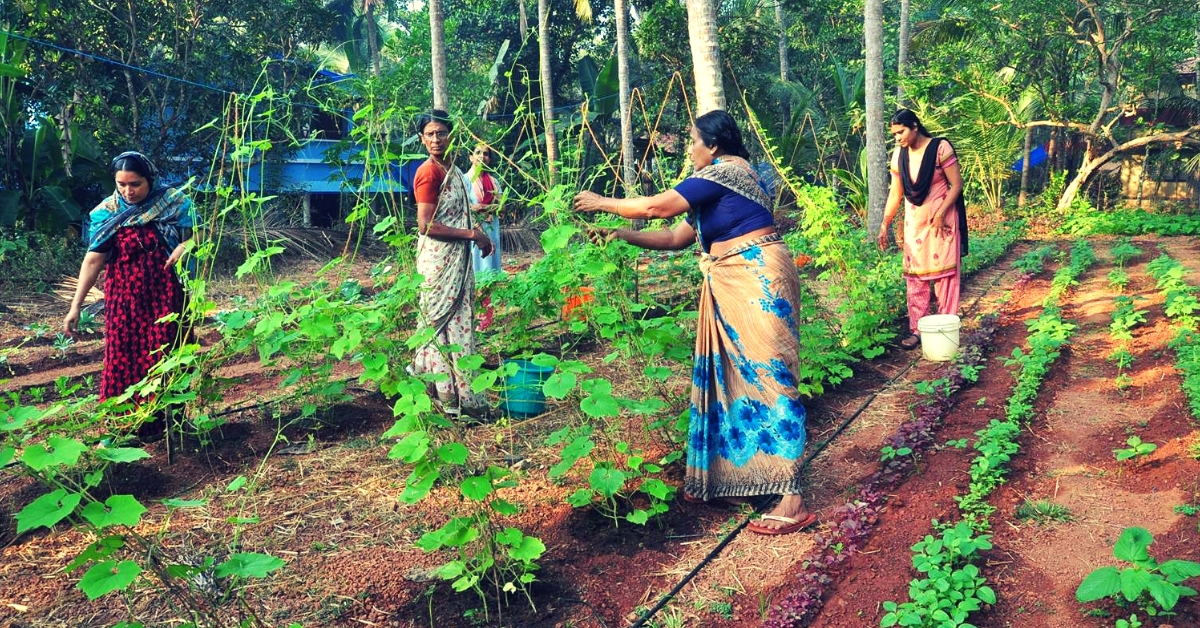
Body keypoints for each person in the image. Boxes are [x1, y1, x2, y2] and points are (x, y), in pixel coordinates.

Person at [573, 110, 815, 535]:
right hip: (736, 276)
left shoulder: (725, 171)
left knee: (772, 376)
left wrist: (603, 203)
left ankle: (791, 496)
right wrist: (619, 235)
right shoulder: (720, 182)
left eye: (692, 141)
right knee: (737, 377)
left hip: (757, 276)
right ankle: (746, 476)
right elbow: (674, 238)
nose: (689, 149)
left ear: (714, 145)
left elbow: (655, 208)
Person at [63, 151, 197, 442]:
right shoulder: (107, 212)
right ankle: (121, 430)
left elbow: (198, 235)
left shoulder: (174, 203)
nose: (128, 191)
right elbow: (93, 260)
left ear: (150, 179)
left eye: (135, 184)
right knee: (121, 359)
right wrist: (76, 306)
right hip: (125, 302)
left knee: (170, 356)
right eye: (121, 184)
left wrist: (187, 245)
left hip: (168, 297)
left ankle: (174, 425)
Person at [411, 110, 495, 418]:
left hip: (458, 258)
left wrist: (480, 234)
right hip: (437, 261)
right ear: (422, 139)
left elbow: (463, 213)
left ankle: (465, 398)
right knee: (438, 325)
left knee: (458, 323)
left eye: (441, 133)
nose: (436, 139)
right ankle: (444, 397)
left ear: (452, 136)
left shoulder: (456, 171)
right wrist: (471, 234)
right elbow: (426, 225)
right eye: (430, 134)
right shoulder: (429, 173)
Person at [877, 109, 967, 351]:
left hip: (942, 222)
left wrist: (940, 214)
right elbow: (895, 193)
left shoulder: (940, 148)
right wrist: (885, 224)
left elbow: (956, 184)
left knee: (944, 278)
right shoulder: (899, 155)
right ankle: (917, 330)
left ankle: (947, 329)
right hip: (914, 225)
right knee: (915, 279)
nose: (897, 138)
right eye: (894, 134)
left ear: (915, 126)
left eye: (901, 132)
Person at [464, 143, 504, 275]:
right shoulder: (465, 180)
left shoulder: (494, 181)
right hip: (473, 229)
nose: (482, 156)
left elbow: (502, 207)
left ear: (490, 159)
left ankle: (491, 294)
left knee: (492, 263)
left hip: (492, 227)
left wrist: (482, 206)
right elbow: (463, 207)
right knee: (475, 263)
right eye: (478, 152)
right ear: (471, 157)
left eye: (486, 154)